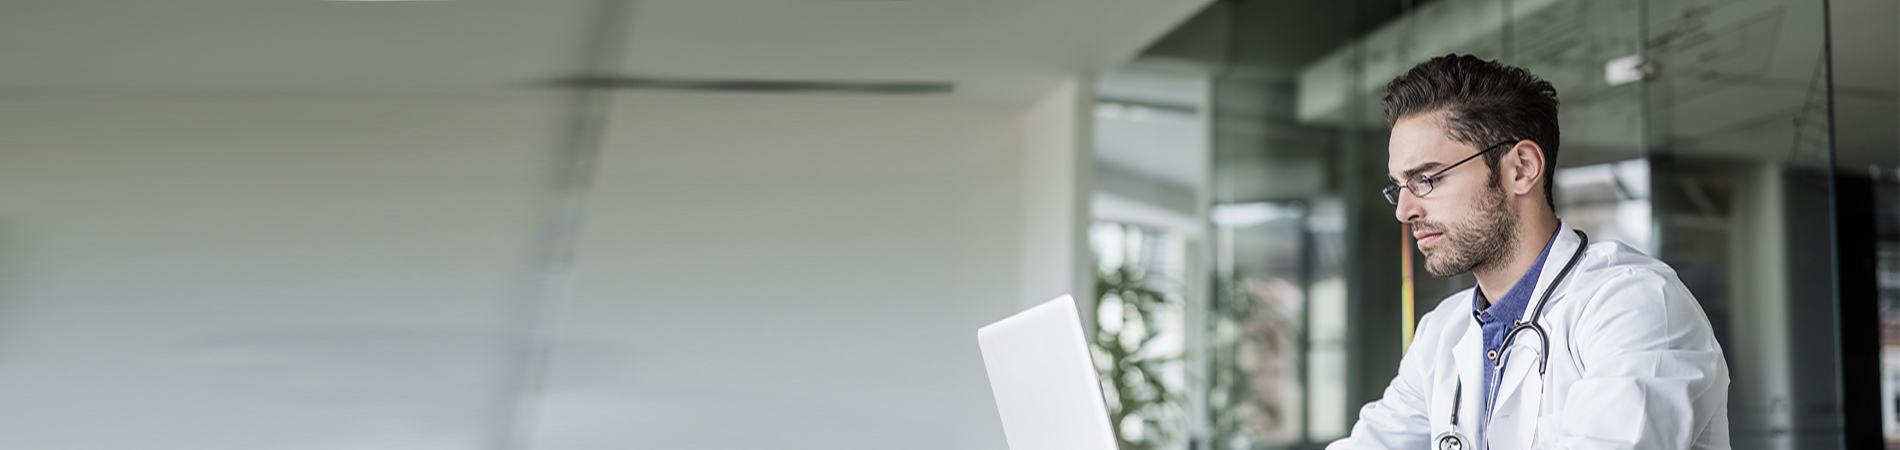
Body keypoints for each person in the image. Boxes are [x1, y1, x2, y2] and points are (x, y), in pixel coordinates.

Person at [1327, 54, 1730, 450]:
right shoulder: (1442, 333)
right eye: (1399, 186)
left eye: (1426, 179)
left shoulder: (1634, 304)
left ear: (1520, 169)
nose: (1404, 210)